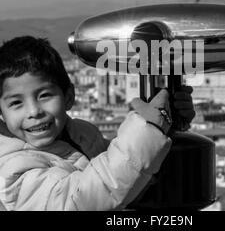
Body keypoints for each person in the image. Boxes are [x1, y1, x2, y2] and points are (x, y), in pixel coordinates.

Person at [0, 36, 195, 211]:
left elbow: (130, 171)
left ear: (68, 97)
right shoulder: (13, 170)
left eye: (44, 96)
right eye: (16, 103)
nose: (34, 112)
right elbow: (80, 201)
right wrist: (148, 129)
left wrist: (167, 125)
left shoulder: (82, 135)